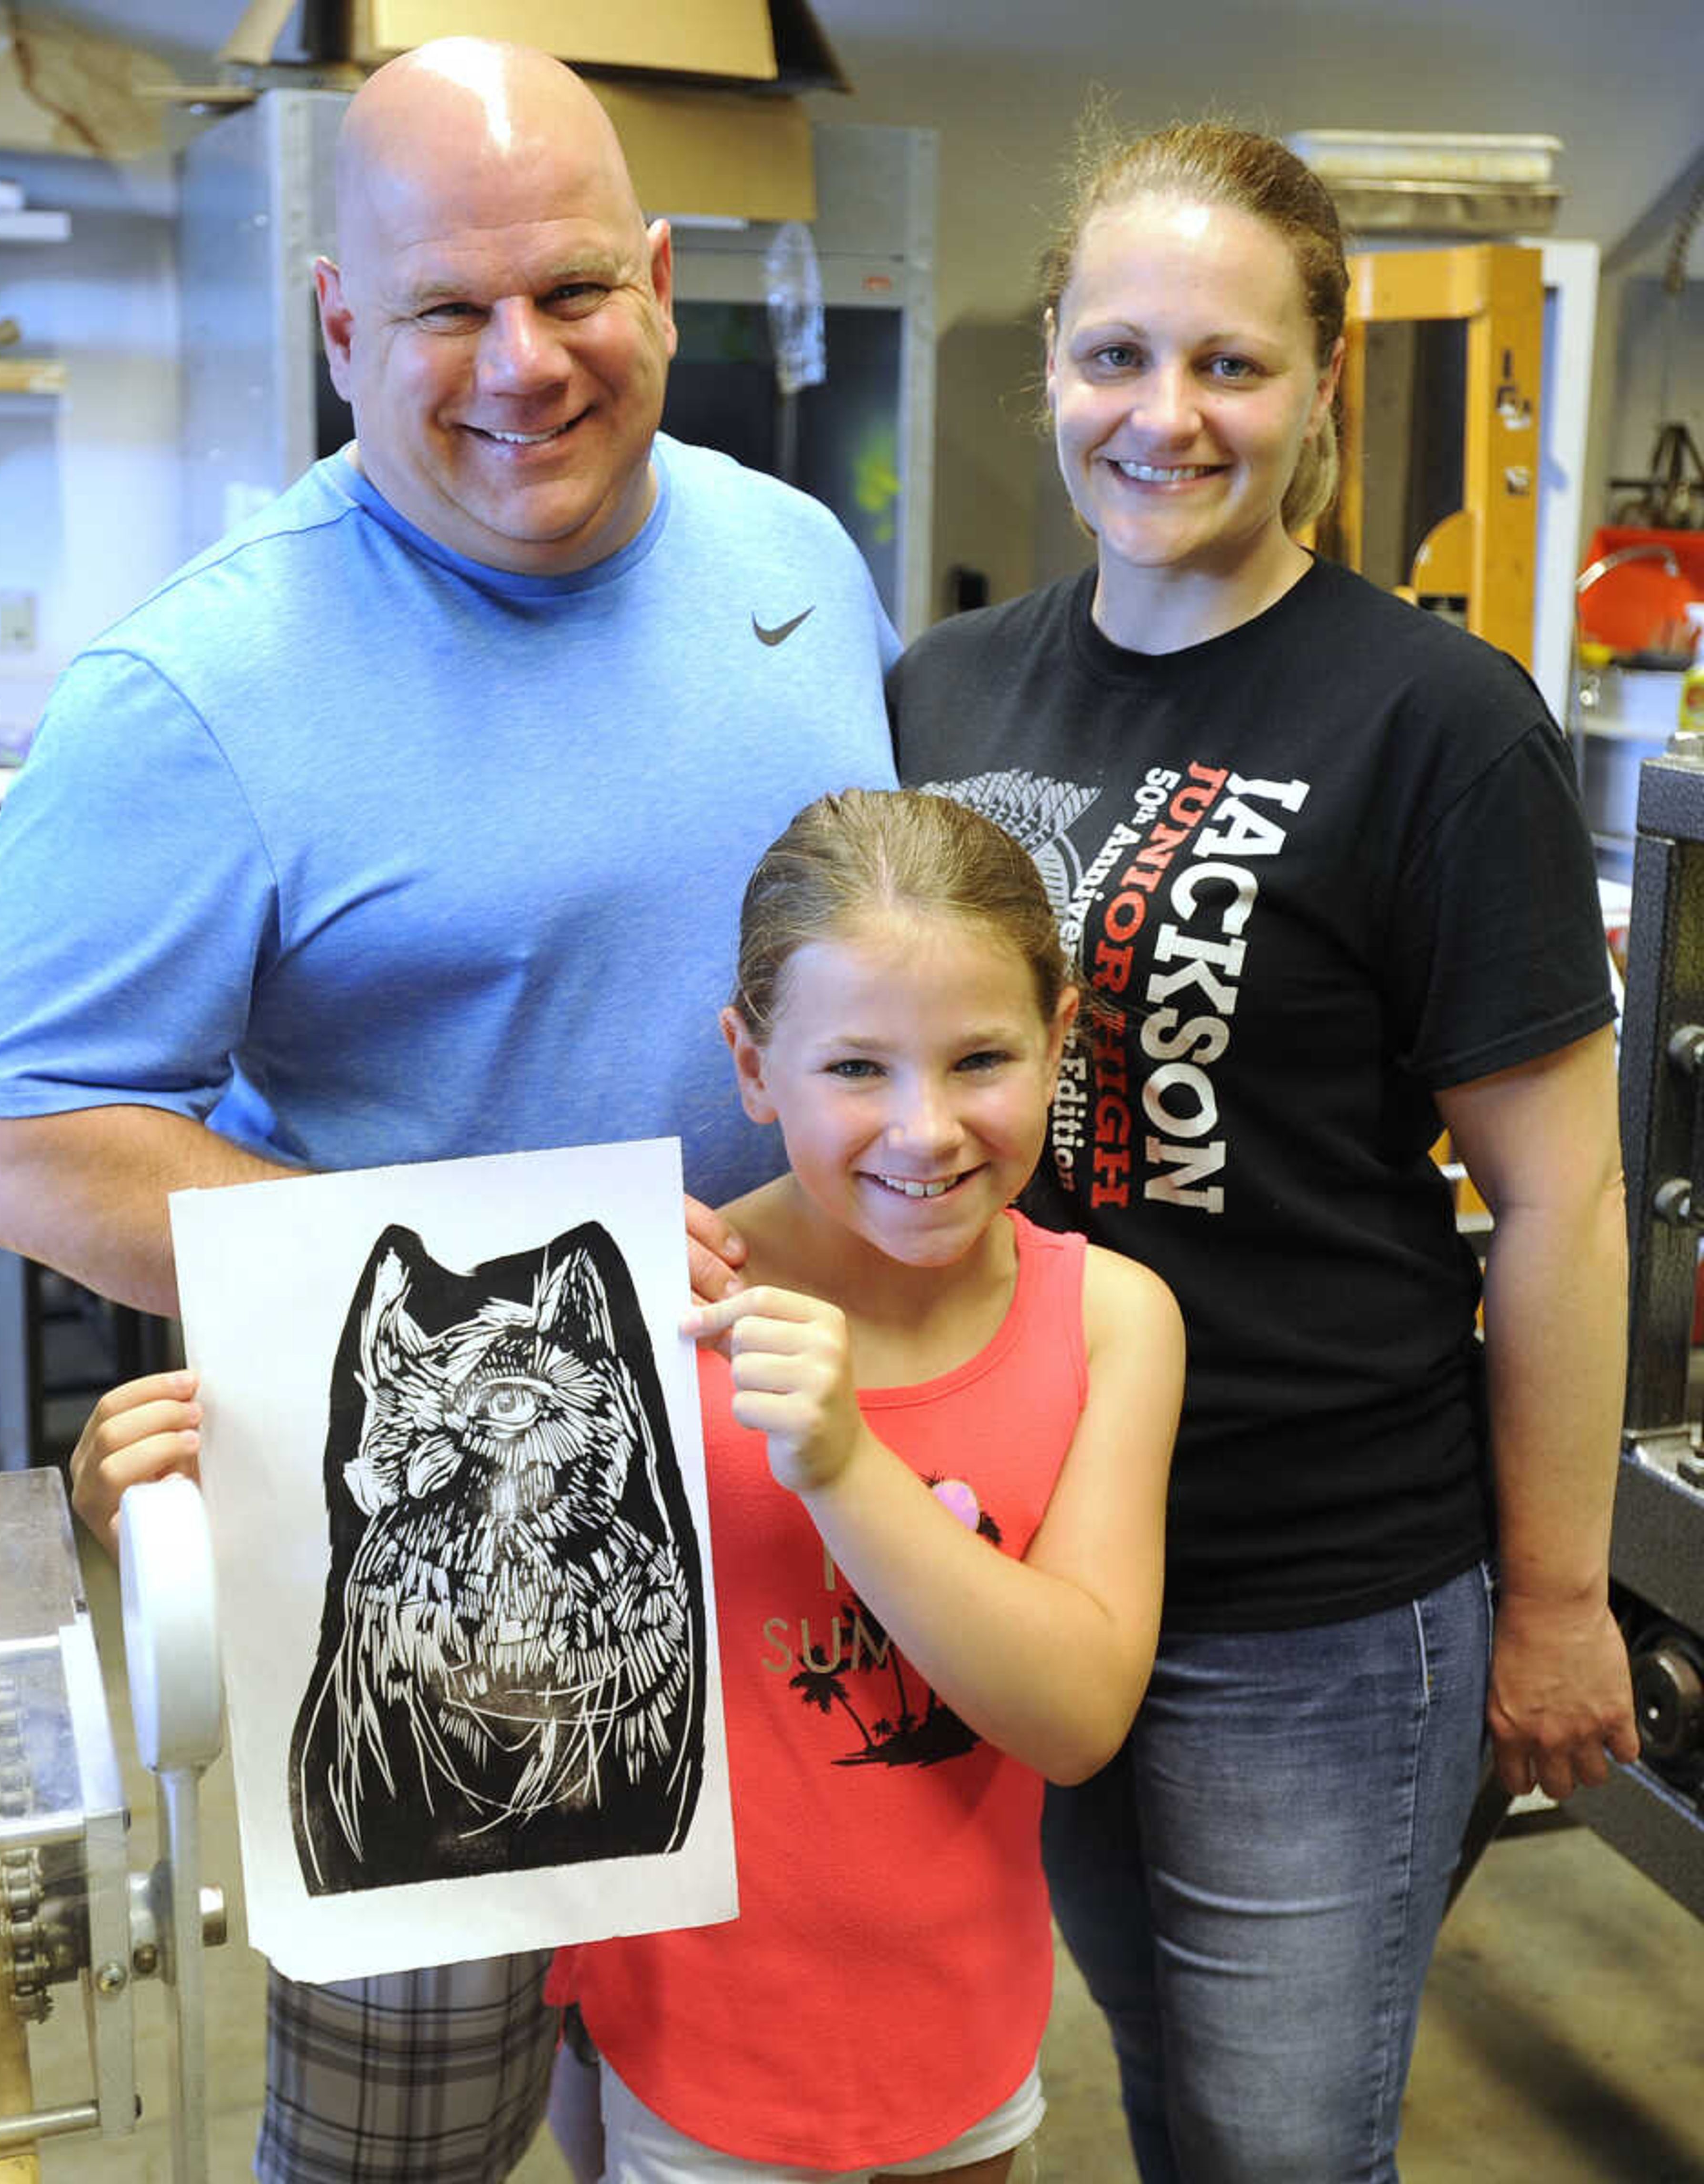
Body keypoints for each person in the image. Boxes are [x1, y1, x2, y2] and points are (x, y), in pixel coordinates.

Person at [0, 38, 896, 2184]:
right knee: (409, 2155)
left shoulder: (805, 562)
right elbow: (20, 1142)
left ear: (660, 283)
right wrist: (502, 1304)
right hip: (430, 1585)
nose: (523, 366)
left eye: (574, 293)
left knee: (768, 2129)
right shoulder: (201, 690)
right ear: (341, 323)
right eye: (448, 313)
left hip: (802, 1518)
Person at [885, 118, 1639, 2184]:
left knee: (1282, 2145)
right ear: (1052, 358)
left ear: (1322, 381)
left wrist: (1560, 1594)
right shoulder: (943, 689)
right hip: (1028, 1557)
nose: (1165, 415)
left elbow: (1566, 1195)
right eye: (1116, 354)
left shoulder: (1437, 721)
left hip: (1314, 1589)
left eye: (1229, 365)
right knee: (1154, 2076)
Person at [80, 788, 1186, 2183]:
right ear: (749, 1061)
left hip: (967, 2028)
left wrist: (845, 1464)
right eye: (856, 1067)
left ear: (1060, 1038)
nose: (925, 1128)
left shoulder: (1112, 1319)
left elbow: (1077, 1713)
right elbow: (373, 1563)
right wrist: (157, 1495)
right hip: (690, 2049)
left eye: (980, 1058)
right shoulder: (655, 1318)